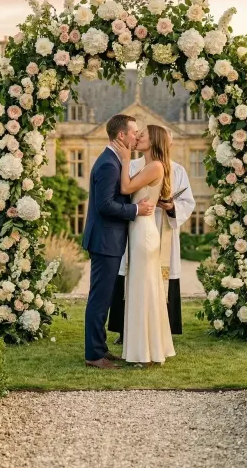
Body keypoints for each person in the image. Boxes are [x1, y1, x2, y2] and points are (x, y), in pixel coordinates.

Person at [82, 114, 155, 369]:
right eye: (134, 132)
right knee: (99, 299)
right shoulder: (108, 165)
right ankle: (93, 355)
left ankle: (100, 349)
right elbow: (104, 206)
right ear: (121, 135)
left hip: (109, 240)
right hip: (104, 241)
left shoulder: (114, 160)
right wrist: (136, 211)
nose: (137, 137)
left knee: (103, 297)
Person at [108, 128, 195, 341]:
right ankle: (126, 329)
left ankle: (158, 330)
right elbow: (123, 192)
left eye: (142, 136)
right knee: (133, 276)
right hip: (137, 224)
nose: (137, 138)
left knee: (154, 279)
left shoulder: (177, 170)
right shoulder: (135, 164)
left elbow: (188, 202)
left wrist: (171, 206)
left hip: (159, 226)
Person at [112, 125, 176, 365]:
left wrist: (126, 159)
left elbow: (126, 188)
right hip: (140, 230)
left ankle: (144, 353)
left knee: (143, 290)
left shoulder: (155, 166)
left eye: (143, 135)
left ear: (154, 140)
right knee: (142, 289)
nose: (138, 137)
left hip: (143, 233)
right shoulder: (151, 166)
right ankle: (148, 349)